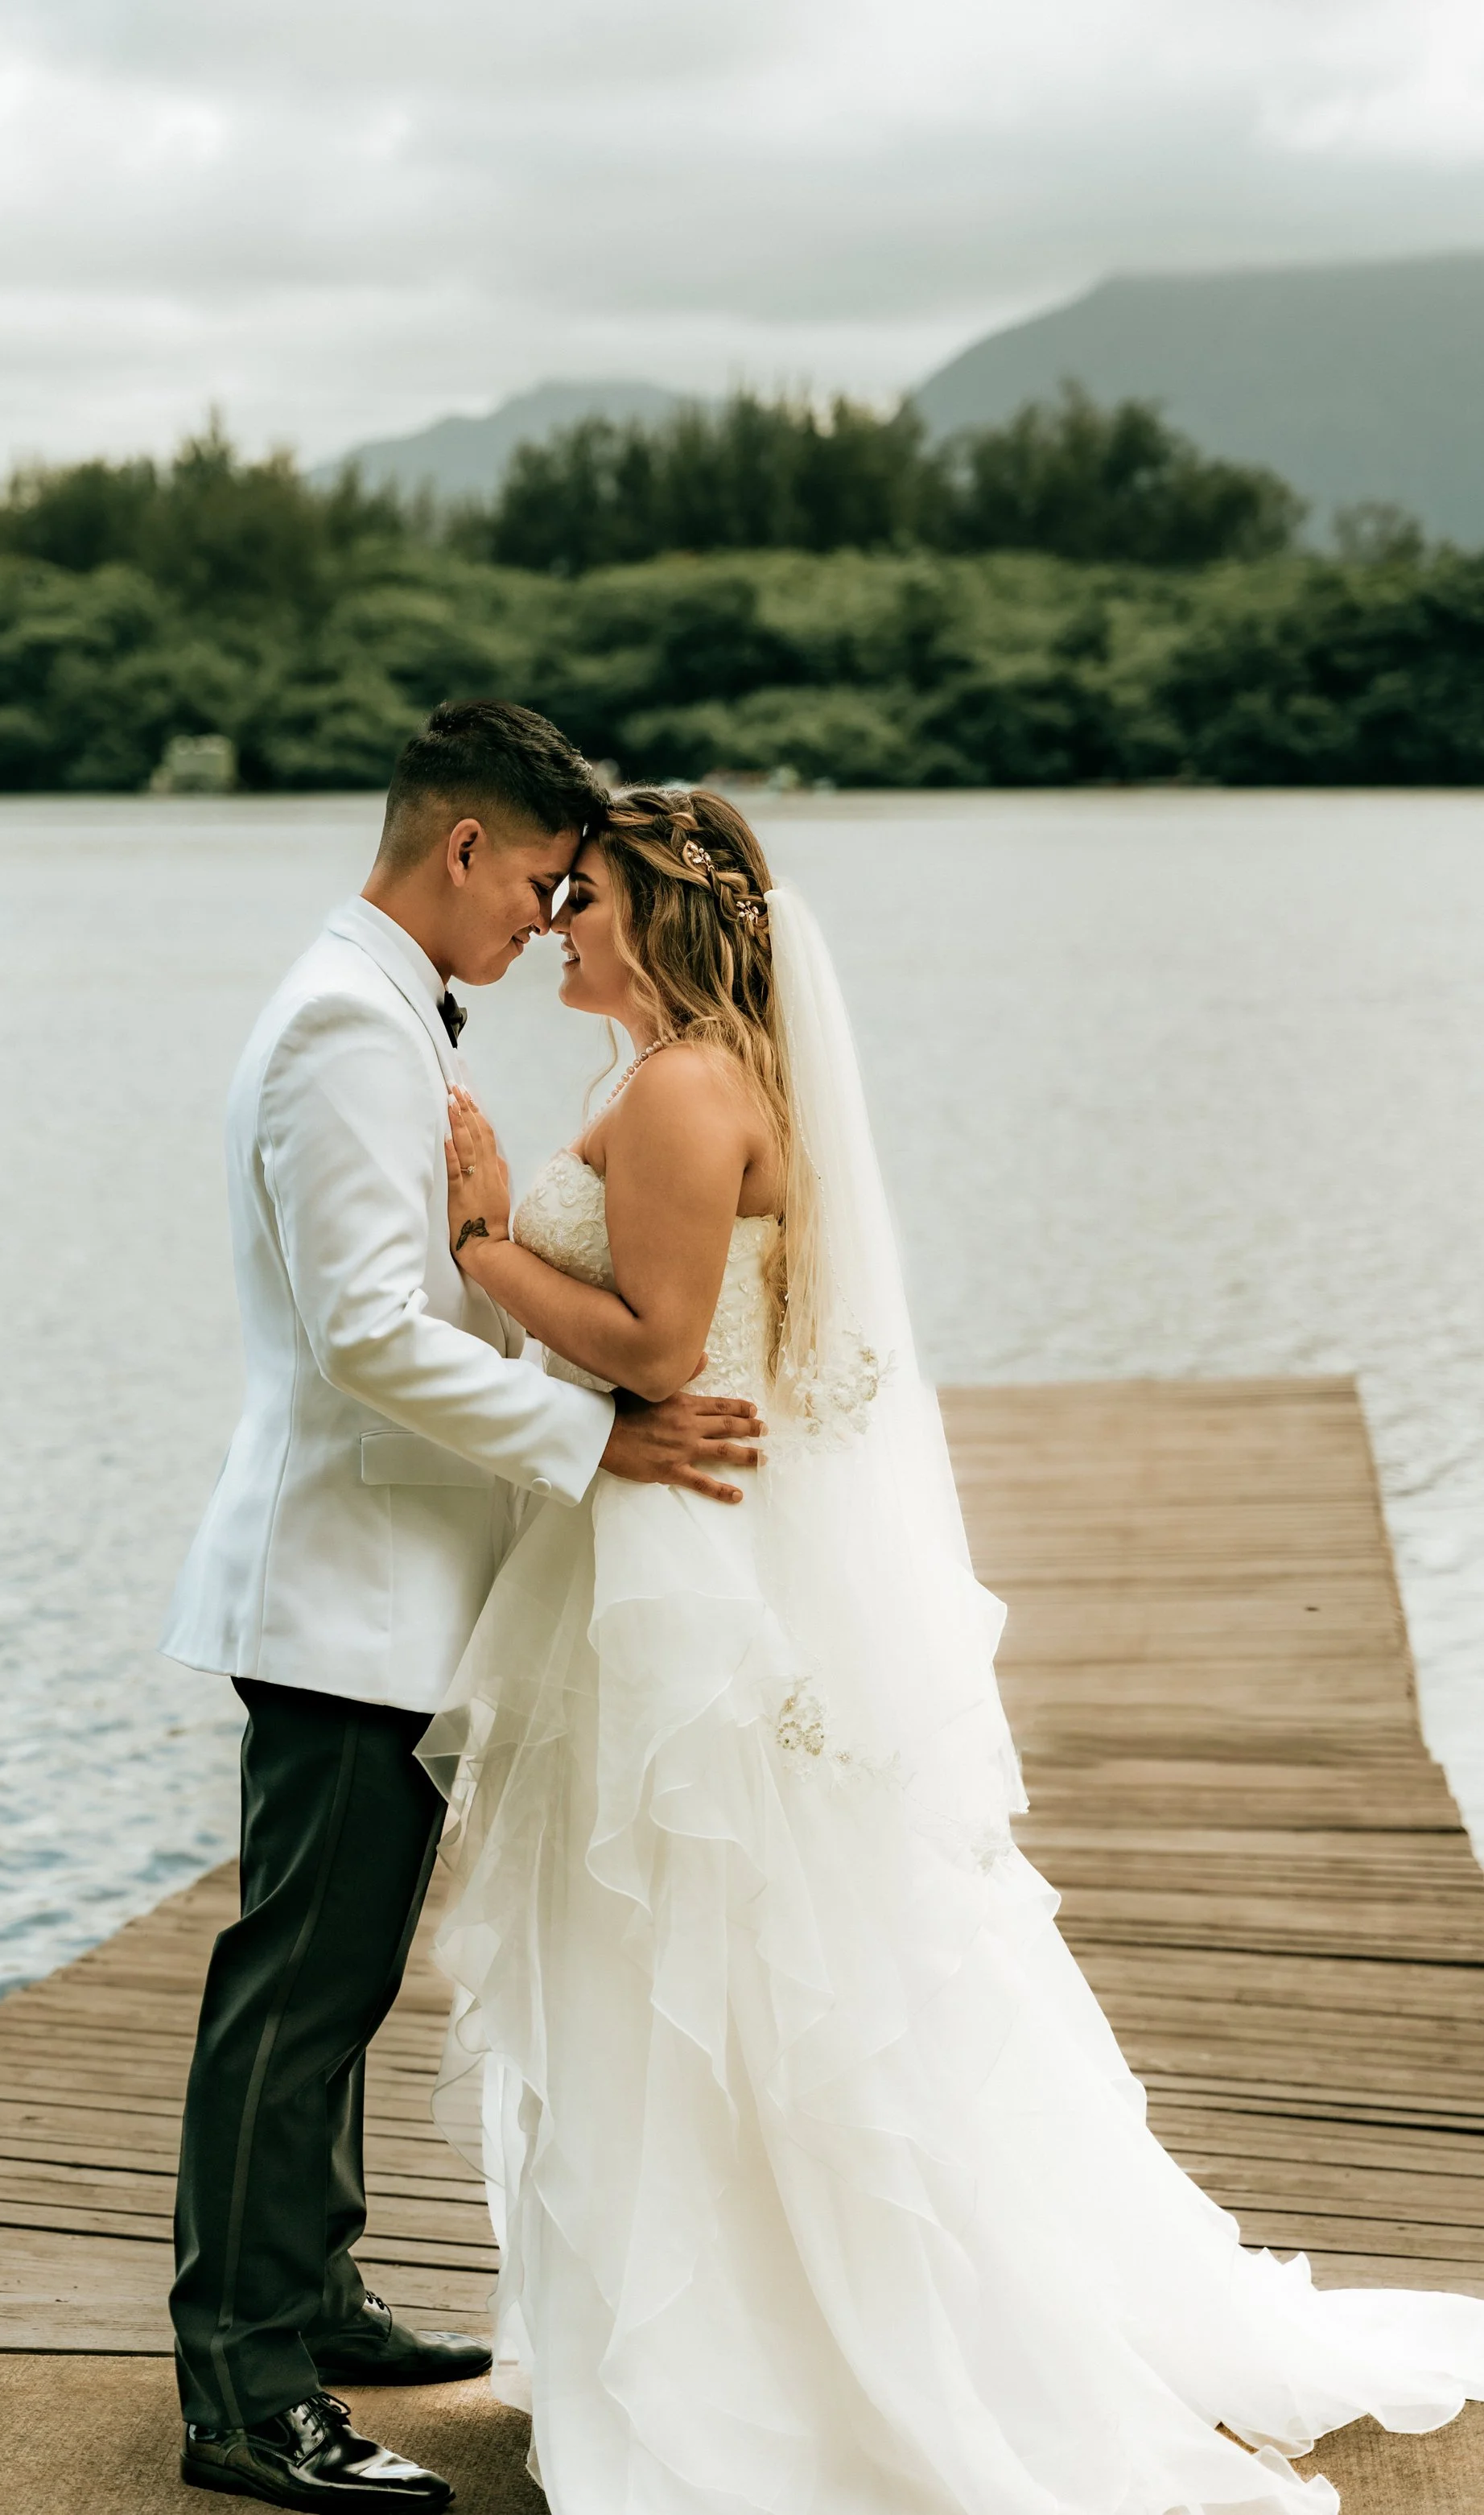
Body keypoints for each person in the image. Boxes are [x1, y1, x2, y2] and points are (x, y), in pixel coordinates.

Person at [422, 785, 1484, 2515]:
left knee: (726, 1947)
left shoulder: (687, 1088)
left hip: (690, 1572)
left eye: (586, 895)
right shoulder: (662, 1075)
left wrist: (478, 1244)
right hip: (658, 1548)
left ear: (665, 919)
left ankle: (788, 2359)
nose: (557, 922)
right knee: (673, 1952)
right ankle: (695, 2329)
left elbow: (658, 1342)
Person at [159, 704, 763, 2513]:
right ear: (463, 852)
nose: (541, 925)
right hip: (345, 1583)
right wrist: (600, 1436)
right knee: (297, 1989)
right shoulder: (350, 1022)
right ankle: (244, 2390)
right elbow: (363, 1329)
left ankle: (313, 2288)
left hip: (393, 1576)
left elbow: (425, 1302)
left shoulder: (376, 1003)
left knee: (326, 1980)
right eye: (540, 886)